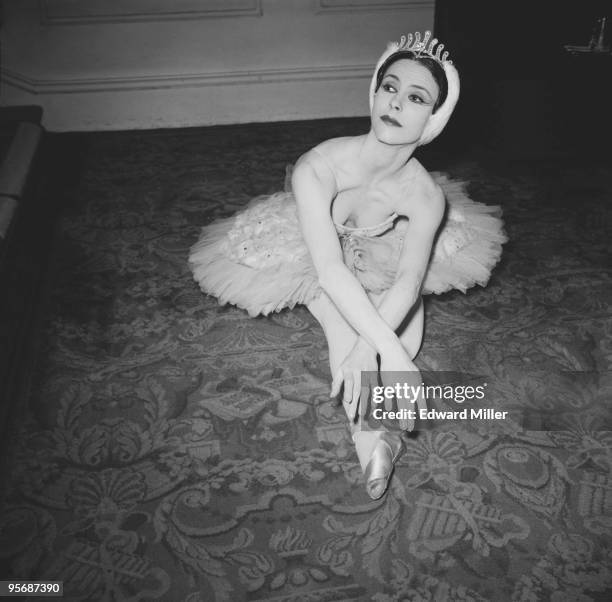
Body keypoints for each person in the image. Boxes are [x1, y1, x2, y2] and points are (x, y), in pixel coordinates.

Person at [189, 31, 507, 499]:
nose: (395, 103)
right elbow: (330, 268)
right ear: (375, 91)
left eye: (416, 97)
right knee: (355, 336)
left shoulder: (424, 196)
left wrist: (382, 347)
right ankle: (371, 441)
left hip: (382, 242)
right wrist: (380, 349)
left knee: (407, 339)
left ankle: (377, 425)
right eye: (389, 86)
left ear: (434, 118)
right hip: (316, 249)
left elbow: (410, 278)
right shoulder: (317, 167)